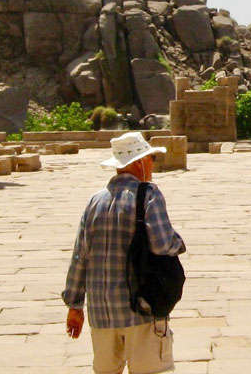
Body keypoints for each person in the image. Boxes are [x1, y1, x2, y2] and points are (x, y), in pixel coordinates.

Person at [62, 131, 186, 374]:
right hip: (141, 309)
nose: (152, 164)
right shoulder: (148, 195)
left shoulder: (94, 201)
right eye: (151, 158)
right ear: (139, 163)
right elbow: (162, 244)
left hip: (102, 314)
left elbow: (80, 256)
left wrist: (74, 305)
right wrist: (178, 242)